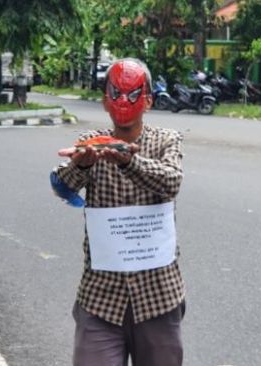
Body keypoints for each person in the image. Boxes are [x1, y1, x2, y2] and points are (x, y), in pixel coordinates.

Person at [52, 58, 185, 366]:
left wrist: (128, 161)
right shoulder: (91, 144)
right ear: (104, 100)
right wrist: (80, 166)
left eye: (134, 94)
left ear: (148, 100)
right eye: (116, 93)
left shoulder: (166, 140)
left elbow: (171, 181)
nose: (124, 101)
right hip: (101, 297)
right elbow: (63, 186)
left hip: (158, 296)